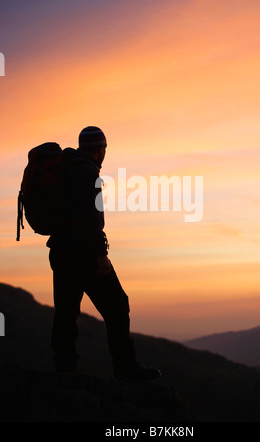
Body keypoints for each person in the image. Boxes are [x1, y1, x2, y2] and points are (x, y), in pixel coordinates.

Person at [46, 126, 161, 382]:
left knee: (66, 312)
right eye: (104, 149)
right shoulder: (88, 173)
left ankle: (64, 368)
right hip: (83, 254)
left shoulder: (67, 168)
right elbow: (89, 219)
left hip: (60, 252)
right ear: (100, 149)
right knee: (118, 305)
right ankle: (125, 368)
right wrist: (100, 255)